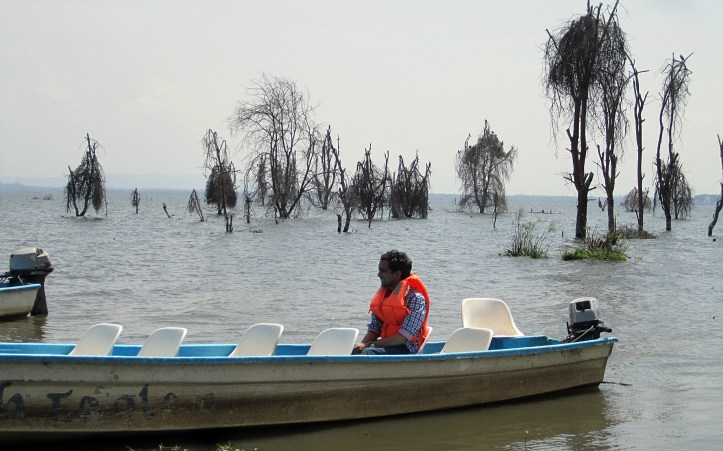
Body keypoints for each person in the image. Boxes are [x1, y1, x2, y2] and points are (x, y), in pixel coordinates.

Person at [352, 250, 431, 355]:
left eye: (383, 271)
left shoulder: (415, 299)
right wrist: (361, 344)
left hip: (406, 349)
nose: (378, 274)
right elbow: (374, 329)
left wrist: (370, 345)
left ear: (397, 274)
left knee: (366, 353)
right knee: (356, 350)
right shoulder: (384, 296)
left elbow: (402, 338)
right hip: (385, 346)